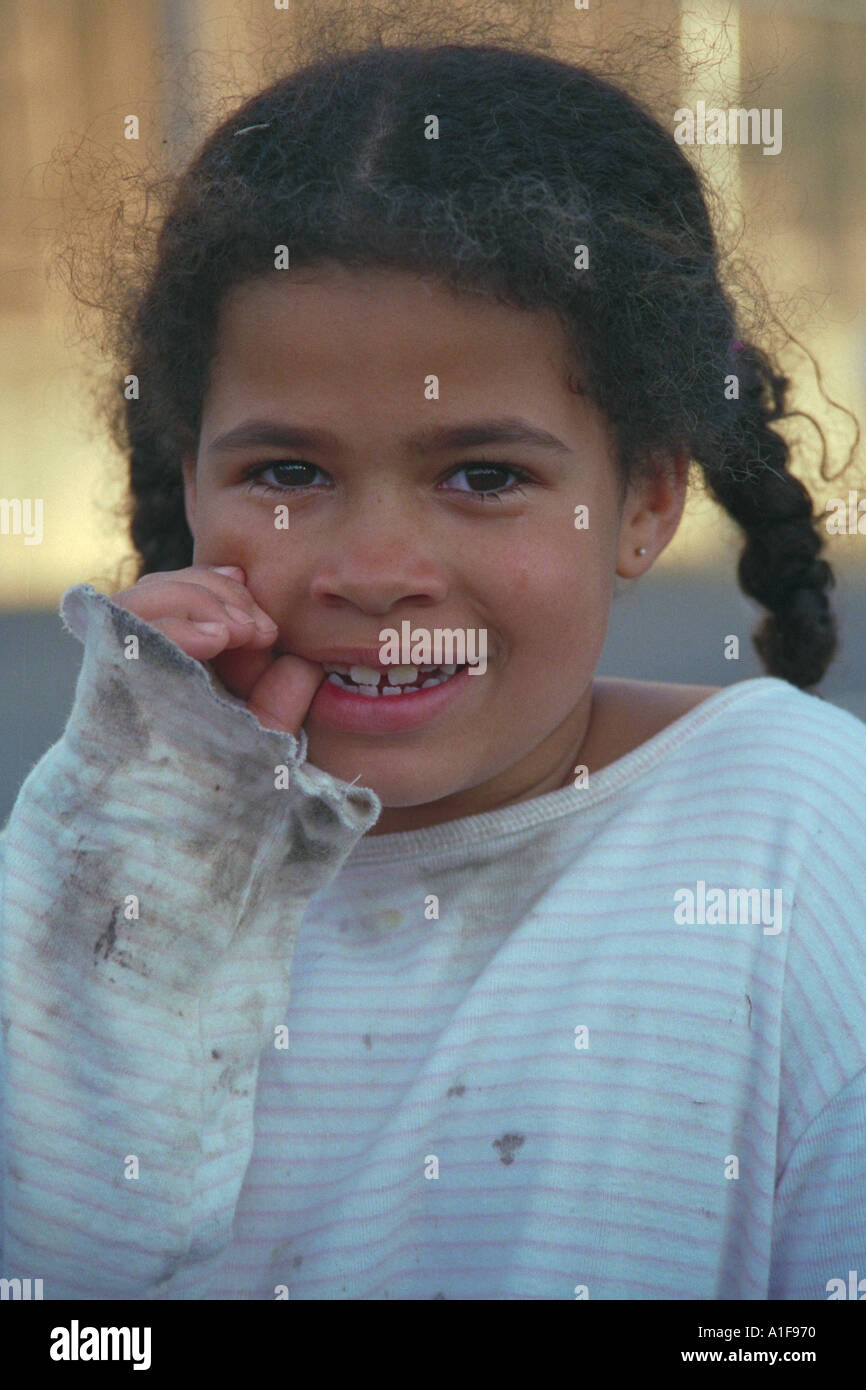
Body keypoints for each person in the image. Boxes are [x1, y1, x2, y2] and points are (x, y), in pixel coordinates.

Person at [2, 39, 865, 1301]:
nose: (373, 566)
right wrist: (152, 832)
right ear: (189, 479)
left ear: (645, 500)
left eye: (484, 476)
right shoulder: (115, 820)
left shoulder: (801, 847)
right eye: (287, 473)